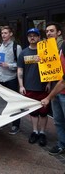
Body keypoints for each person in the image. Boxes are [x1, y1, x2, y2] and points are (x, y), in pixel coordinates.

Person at [17, 28, 50, 146]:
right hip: (29, 87)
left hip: (43, 87)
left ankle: (42, 133)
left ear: (39, 37)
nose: (32, 37)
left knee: (44, 112)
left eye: (34, 35)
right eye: (30, 35)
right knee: (34, 112)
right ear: (27, 38)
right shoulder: (23, 53)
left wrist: (49, 83)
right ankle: (35, 131)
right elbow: (20, 70)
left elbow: (50, 67)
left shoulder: (45, 51)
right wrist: (21, 86)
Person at [0, 26, 22, 134]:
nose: (3, 35)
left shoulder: (16, 47)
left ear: (11, 34)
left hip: (11, 79)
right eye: (2, 33)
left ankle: (15, 125)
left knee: (13, 102)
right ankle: (3, 122)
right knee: (0, 102)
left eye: (5, 33)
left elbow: (20, 65)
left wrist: (8, 65)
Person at [40, 21, 65, 156]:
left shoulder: (63, 47)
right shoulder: (48, 49)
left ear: (59, 33)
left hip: (63, 91)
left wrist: (48, 97)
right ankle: (62, 144)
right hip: (56, 90)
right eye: (47, 31)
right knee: (58, 121)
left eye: (52, 31)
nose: (48, 33)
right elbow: (51, 69)